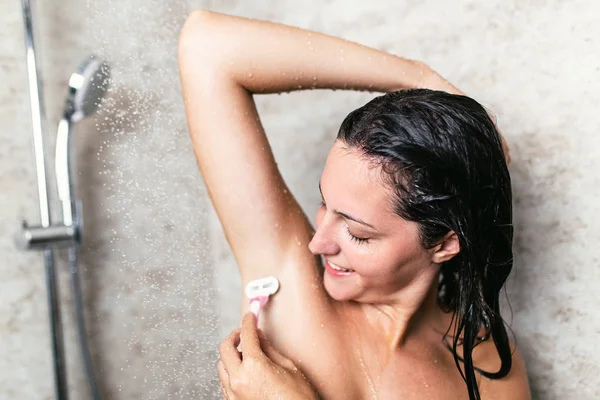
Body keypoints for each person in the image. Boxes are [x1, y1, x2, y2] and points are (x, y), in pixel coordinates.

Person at [178, 10, 530, 400]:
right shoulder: (289, 278)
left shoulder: (485, 366)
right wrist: (419, 78)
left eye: (358, 233)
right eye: (324, 205)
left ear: (445, 243)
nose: (318, 243)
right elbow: (207, 46)